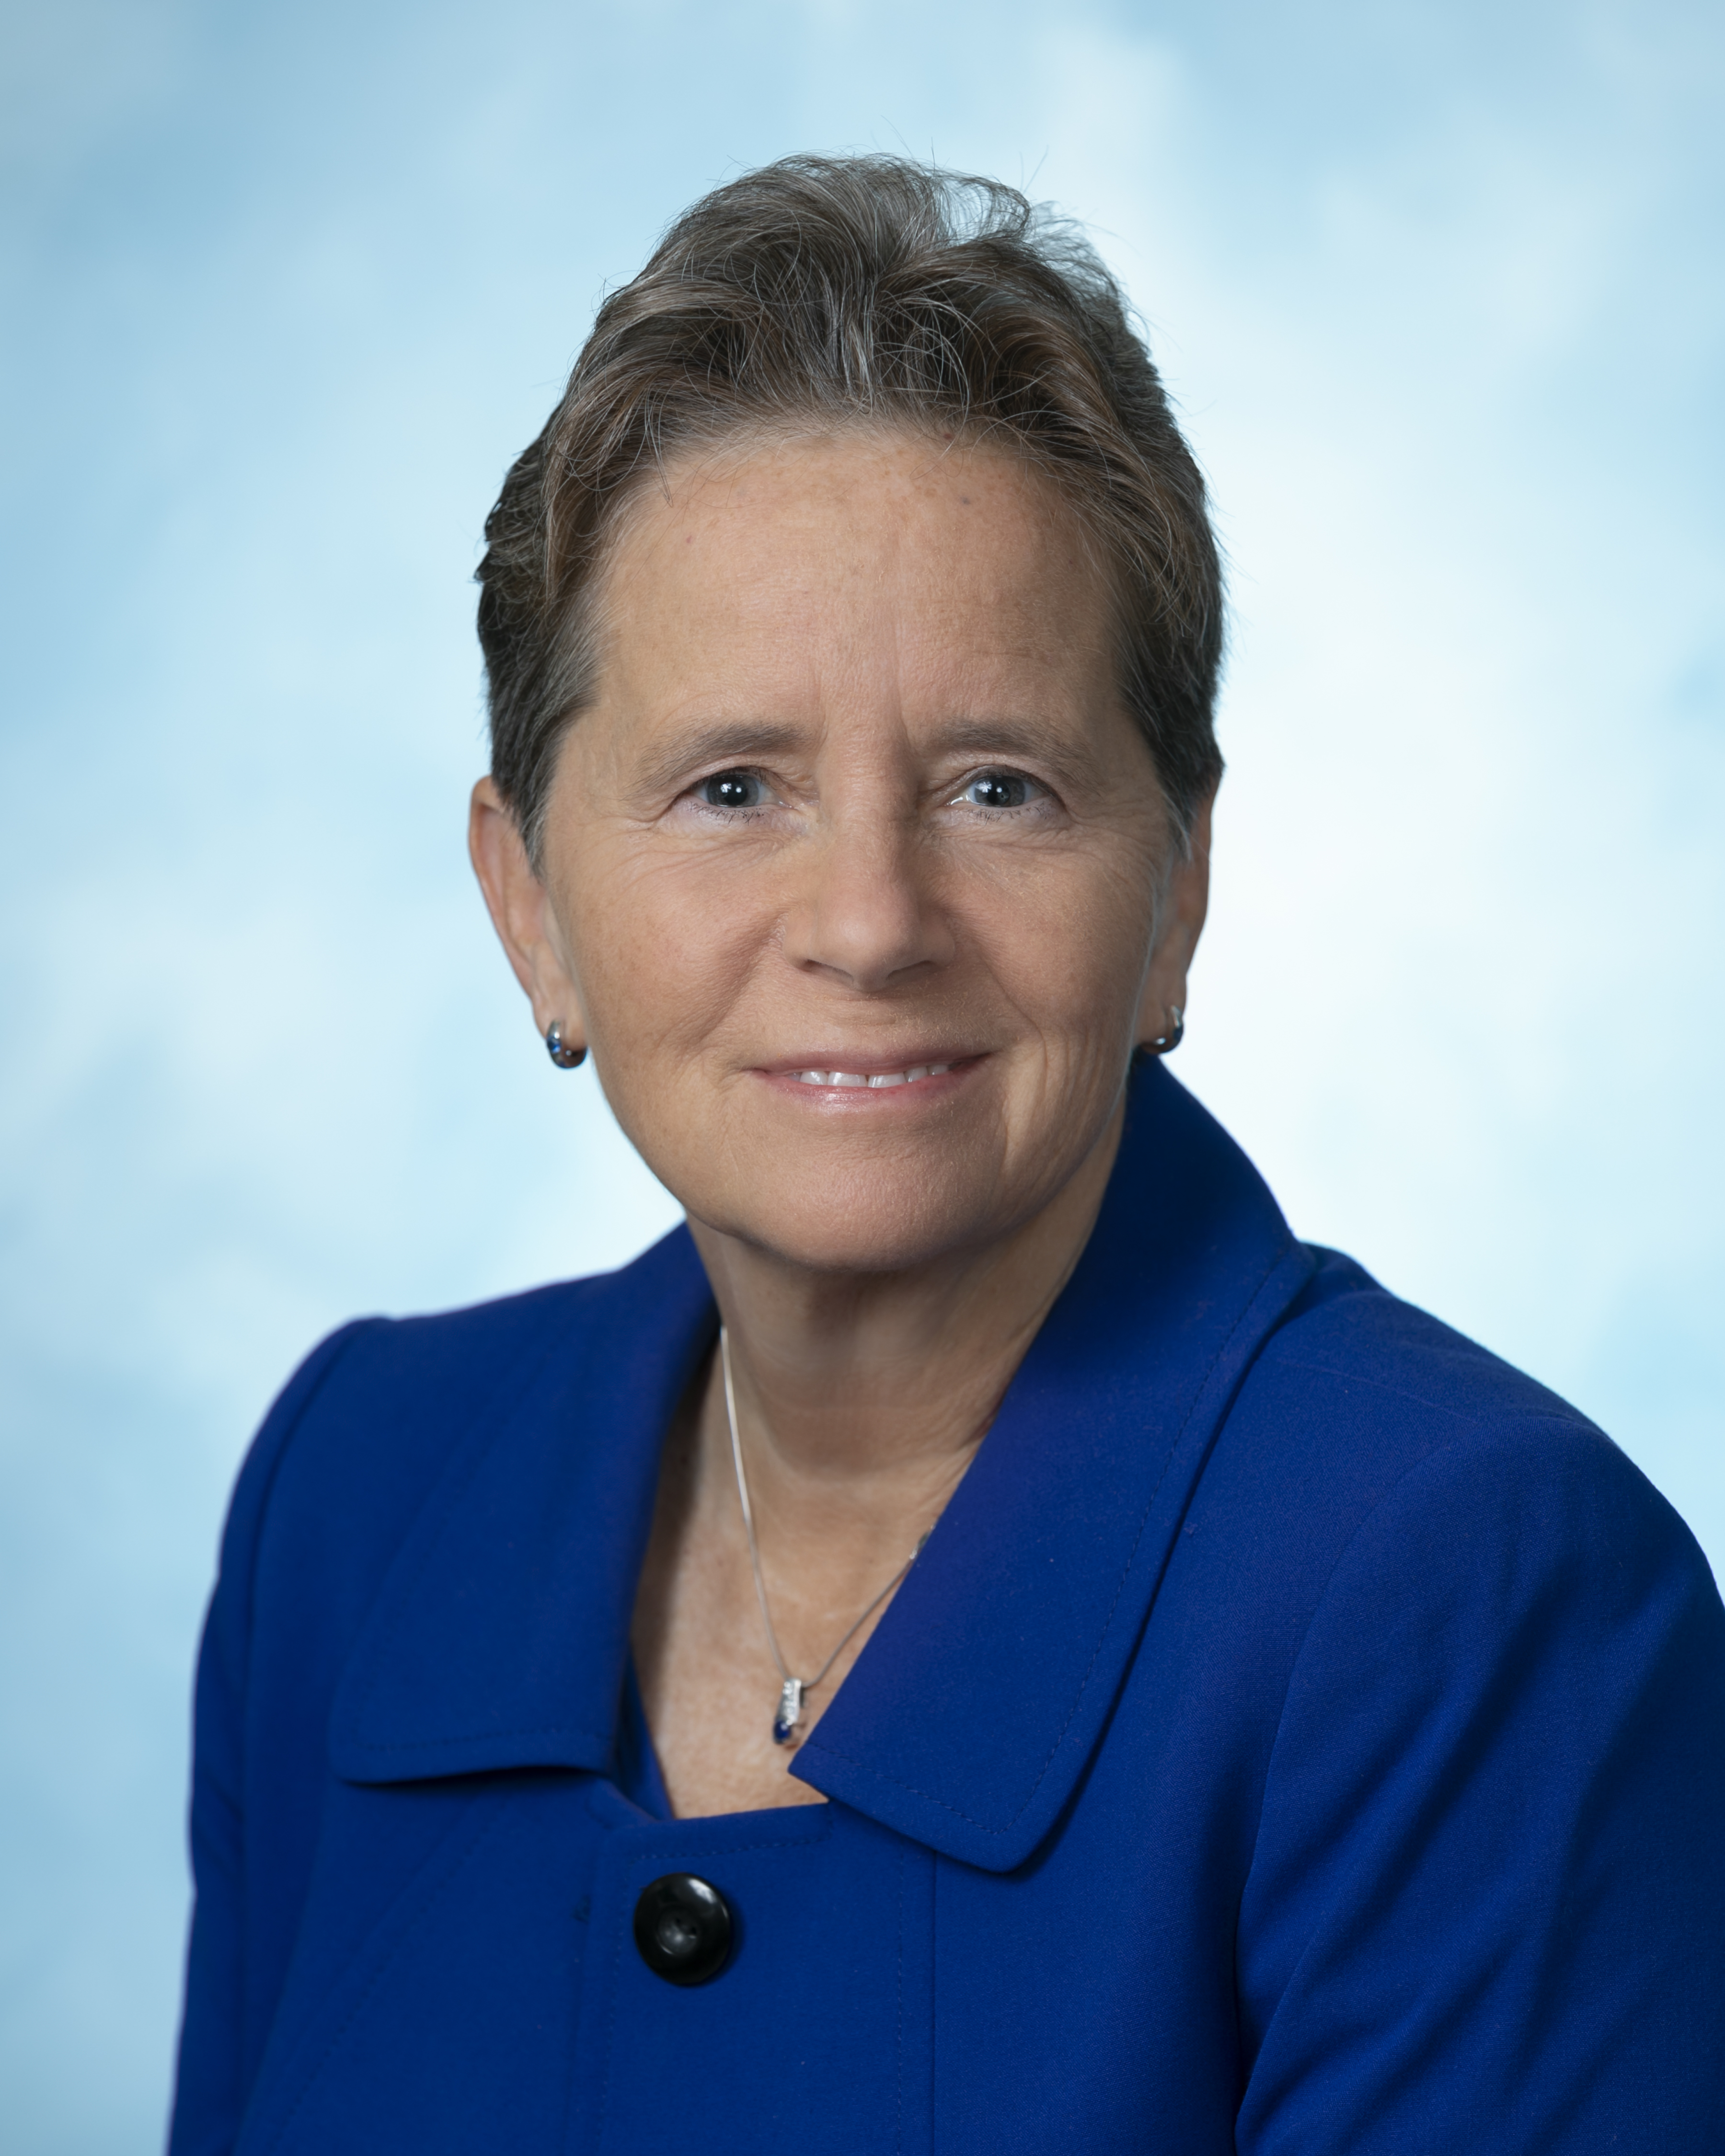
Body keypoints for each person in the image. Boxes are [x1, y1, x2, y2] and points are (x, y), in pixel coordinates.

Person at [167, 156, 1725, 2155]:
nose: (869, 923)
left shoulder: (1469, 1598)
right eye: (733, 787)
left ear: (1176, 891)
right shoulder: (359, 1493)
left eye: (1000, 787)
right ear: (528, 903)